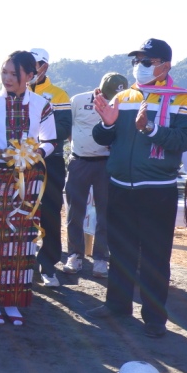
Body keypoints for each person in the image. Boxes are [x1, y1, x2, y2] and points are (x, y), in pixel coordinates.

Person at [87, 39, 187, 338]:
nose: (140, 66)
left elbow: (184, 140)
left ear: (166, 65)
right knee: (120, 251)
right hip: (119, 185)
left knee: (155, 256)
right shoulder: (123, 96)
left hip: (157, 188)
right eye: (137, 61)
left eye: (147, 61)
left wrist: (150, 128)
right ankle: (117, 305)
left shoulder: (183, 99)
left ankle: (154, 318)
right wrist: (107, 124)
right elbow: (102, 138)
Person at [0, 51, 57, 326]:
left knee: (22, 239)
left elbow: (51, 140)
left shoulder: (42, 104)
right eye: (4, 72)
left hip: (29, 179)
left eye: (13, 74)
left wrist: (36, 153)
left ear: (30, 76)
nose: (7, 78)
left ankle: (13, 300)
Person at [61, 73, 127, 278]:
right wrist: (79, 146)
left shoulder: (123, 103)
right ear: (99, 89)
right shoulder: (78, 100)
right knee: (75, 211)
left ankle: (101, 258)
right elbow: (68, 128)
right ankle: (75, 255)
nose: (110, 99)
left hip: (106, 164)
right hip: (79, 162)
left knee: (105, 213)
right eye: (107, 95)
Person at [28, 48, 72, 287]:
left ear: (44, 66)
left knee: (50, 213)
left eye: (35, 64)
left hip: (50, 161)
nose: (31, 68)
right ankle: (22, 260)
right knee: (19, 210)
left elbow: (64, 128)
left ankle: (48, 264)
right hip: (19, 160)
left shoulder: (58, 94)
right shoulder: (14, 91)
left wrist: (38, 133)